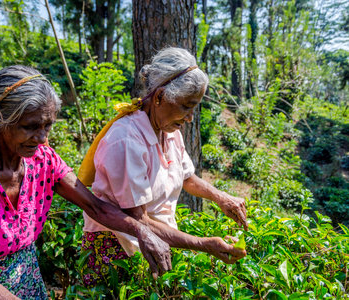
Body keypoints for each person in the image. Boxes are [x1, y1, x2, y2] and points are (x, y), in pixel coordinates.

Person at [0, 65, 172, 299]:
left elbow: (96, 207)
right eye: (30, 127)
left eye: (48, 126)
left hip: (27, 281)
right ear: (0, 120)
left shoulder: (43, 160)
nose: (42, 138)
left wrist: (141, 230)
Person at [79, 47, 248, 287]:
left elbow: (187, 178)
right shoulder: (126, 140)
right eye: (186, 106)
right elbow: (139, 221)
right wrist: (204, 244)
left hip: (157, 241)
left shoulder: (169, 131)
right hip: (118, 250)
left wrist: (221, 198)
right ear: (159, 97)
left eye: (194, 107)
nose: (190, 117)